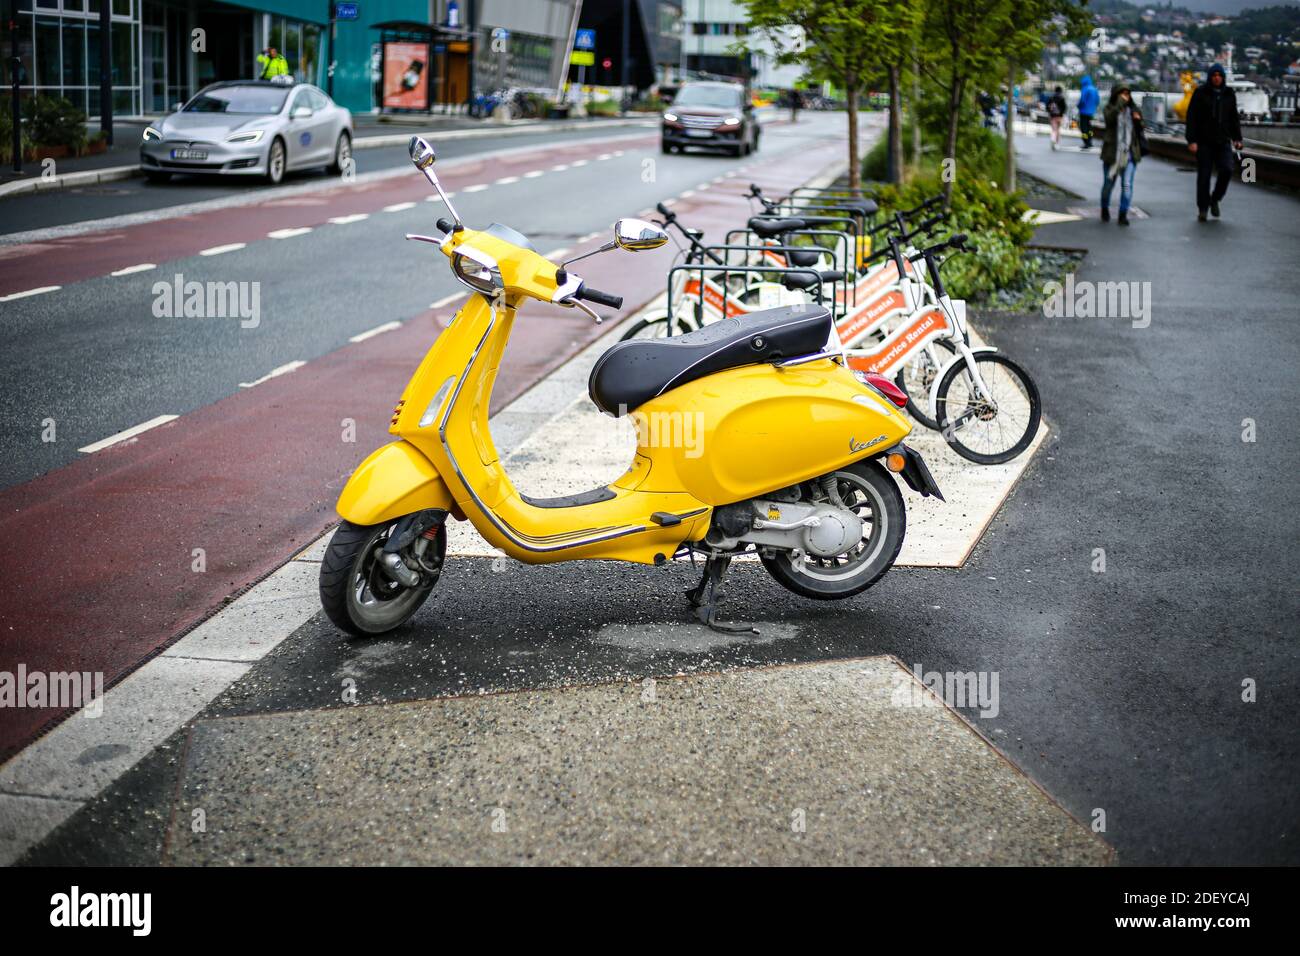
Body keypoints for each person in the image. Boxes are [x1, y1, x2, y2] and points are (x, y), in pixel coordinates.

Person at [1185, 62, 1243, 222]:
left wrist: (1237, 138)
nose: (1216, 78)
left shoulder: (1229, 94)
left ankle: (1215, 198)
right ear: (1210, 77)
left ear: (1222, 77)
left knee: (1227, 170)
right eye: (1214, 75)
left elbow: (1233, 118)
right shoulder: (1200, 93)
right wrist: (1191, 140)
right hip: (1204, 142)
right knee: (1204, 176)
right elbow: (1191, 118)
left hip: (1223, 140)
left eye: (1219, 76)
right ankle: (1203, 208)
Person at [1100, 86, 1143, 226]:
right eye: (1122, 94)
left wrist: (1138, 120)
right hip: (1112, 153)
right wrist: (1119, 105)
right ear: (1116, 95)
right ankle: (1104, 208)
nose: (1126, 97)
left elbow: (1141, 126)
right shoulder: (1110, 108)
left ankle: (1123, 214)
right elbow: (1109, 120)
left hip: (1129, 153)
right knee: (1108, 185)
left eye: (1128, 94)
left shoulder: (1134, 109)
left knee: (1127, 185)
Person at [1077, 76, 1099, 149]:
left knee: (1084, 128)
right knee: (1090, 128)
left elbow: (1082, 100)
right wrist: (1093, 108)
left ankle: (1086, 142)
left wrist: (1078, 106)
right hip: (1092, 112)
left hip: (1084, 112)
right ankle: (1090, 141)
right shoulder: (1094, 89)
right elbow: (1097, 101)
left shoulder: (1085, 89)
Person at [1047, 85, 1067, 150]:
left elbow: (1047, 106)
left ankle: (1053, 139)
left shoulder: (1051, 97)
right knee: (1058, 129)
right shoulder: (1062, 98)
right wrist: (1062, 114)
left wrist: (1050, 112)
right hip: (1059, 116)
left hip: (1052, 116)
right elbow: (1064, 107)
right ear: (1061, 91)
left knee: (1054, 129)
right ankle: (1057, 143)